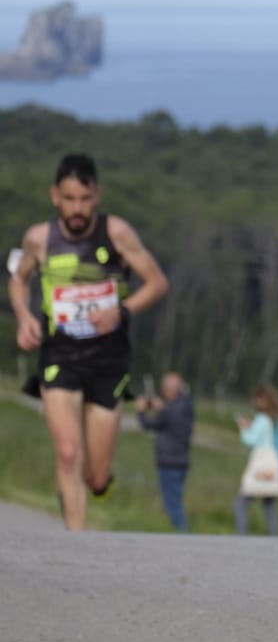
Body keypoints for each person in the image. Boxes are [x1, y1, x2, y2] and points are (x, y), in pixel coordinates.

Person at [7, 153, 169, 531]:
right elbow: (18, 278)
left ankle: (94, 486)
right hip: (59, 352)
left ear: (97, 195)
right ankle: (76, 546)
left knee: (95, 477)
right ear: (54, 197)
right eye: (68, 199)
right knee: (67, 454)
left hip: (107, 358)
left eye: (84, 199)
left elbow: (158, 283)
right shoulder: (38, 238)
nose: (77, 208)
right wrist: (25, 316)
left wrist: (121, 311)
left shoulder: (117, 234)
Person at [137, 372, 194, 532]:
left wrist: (141, 411)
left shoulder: (170, 411)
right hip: (182, 460)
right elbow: (174, 409)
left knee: (173, 503)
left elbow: (148, 424)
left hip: (169, 461)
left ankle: (183, 534)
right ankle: (179, 531)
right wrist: (163, 407)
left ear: (168, 390)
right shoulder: (186, 406)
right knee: (176, 499)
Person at [235, 383, 278, 536]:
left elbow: (251, 440)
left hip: (261, 464)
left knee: (241, 504)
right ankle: (274, 539)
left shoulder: (262, 419)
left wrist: (244, 428)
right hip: (275, 465)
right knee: (270, 506)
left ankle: (242, 538)